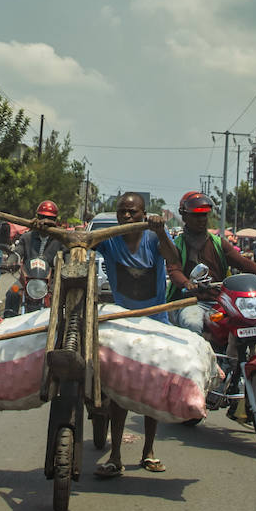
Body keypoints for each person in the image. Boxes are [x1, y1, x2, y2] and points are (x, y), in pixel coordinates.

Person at [93, 192, 184, 478]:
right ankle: (116, 455)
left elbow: (174, 259)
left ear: (144, 213)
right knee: (119, 392)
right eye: (123, 212)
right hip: (123, 322)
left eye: (133, 212)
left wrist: (160, 231)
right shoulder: (110, 240)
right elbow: (83, 247)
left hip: (155, 320)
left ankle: (149, 451)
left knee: (152, 388)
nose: (128, 216)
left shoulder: (153, 237)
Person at [168, 191, 256, 335]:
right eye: (196, 215)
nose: (201, 219)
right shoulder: (177, 245)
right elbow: (174, 270)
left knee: (245, 320)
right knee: (192, 323)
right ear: (184, 216)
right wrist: (187, 283)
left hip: (219, 301)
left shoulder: (218, 243)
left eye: (204, 215)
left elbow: (241, 262)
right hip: (189, 302)